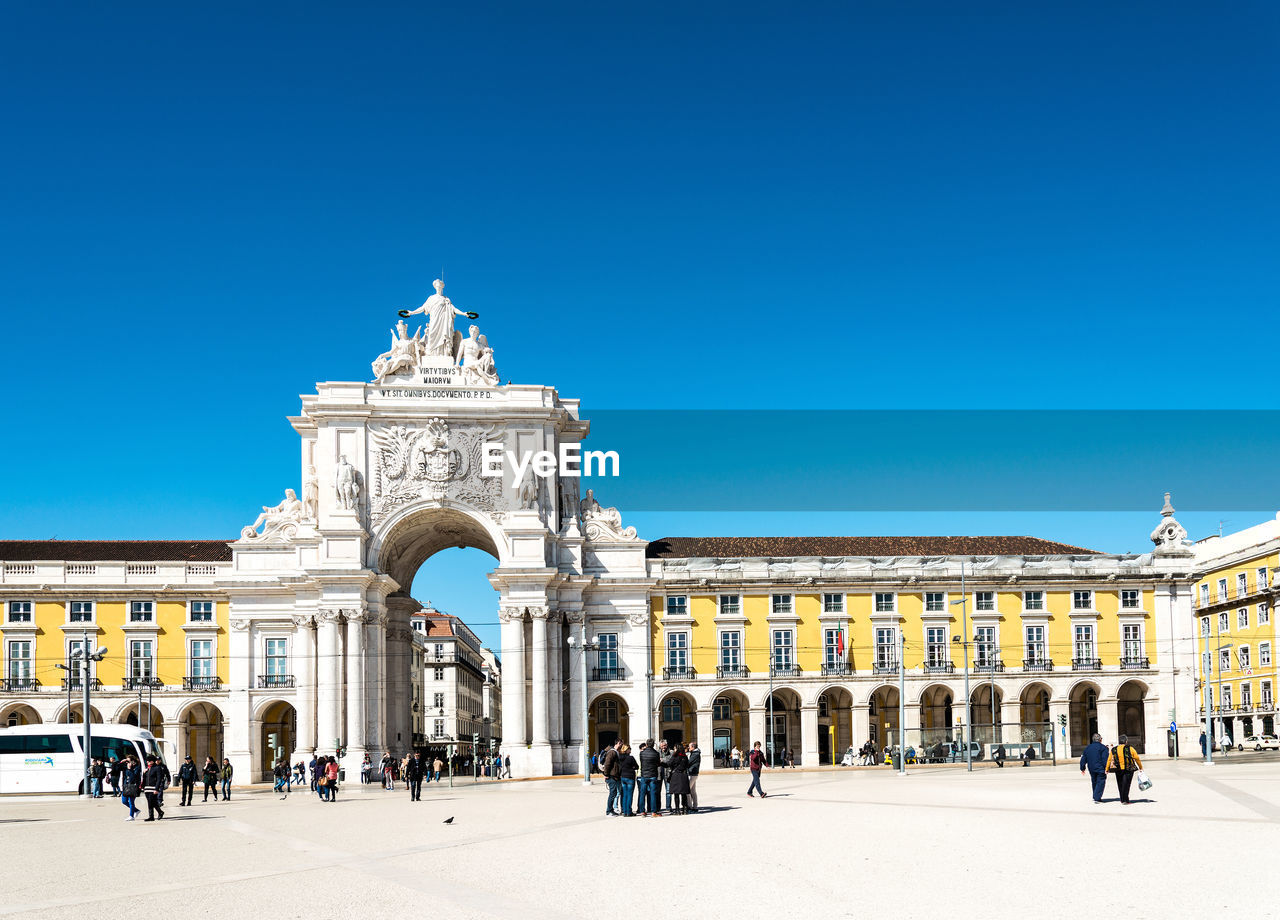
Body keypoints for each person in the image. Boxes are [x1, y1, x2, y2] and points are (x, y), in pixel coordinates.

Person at [1106, 734, 1143, 805]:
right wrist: (1140, 767)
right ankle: (1125, 800)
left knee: (1120, 784)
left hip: (1118, 769)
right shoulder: (1130, 748)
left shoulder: (1114, 749)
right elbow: (1137, 758)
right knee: (1126, 784)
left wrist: (1107, 769)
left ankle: (1122, 799)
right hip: (1128, 769)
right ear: (1126, 741)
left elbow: (1109, 760)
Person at [1079, 732, 1109, 804]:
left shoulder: (1088, 748)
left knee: (1094, 781)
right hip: (1100, 768)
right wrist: (1107, 768)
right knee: (1101, 782)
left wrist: (1082, 768)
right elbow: (1105, 759)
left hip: (1091, 768)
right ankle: (1097, 798)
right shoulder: (1103, 748)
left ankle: (1095, 795)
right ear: (1100, 740)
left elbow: (1083, 758)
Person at [668, 743, 691, 815]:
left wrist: (661, 762)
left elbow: (669, 763)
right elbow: (688, 765)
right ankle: (685, 809)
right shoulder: (685, 756)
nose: (674, 749)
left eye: (675, 748)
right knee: (683, 794)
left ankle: (677, 810)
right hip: (684, 775)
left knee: (676, 794)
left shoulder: (674, 756)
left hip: (676, 775)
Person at [600, 740, 622, 816]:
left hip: (613, 776)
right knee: (612, 794)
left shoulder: (614, 751)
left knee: (614, 793)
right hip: (611, 776)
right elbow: (608, 763)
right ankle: (609, 811)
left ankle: (611, 810)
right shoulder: (612, 752)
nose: (622, 745)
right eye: (621, 743)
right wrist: (606, 774)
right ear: (618, 743)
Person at [616, 743, 638, 816]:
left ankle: (624, 811)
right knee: (629, 795)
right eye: (629, 749)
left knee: (624, 794)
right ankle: (629, 811)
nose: (630, 750)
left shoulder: (619, 758)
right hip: (630, 777)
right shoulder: (630, 758)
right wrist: (632, 767)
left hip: (623, 777)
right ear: (627, 750)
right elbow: (637, 766)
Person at [142, 755, 166, 821]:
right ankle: (158, 813)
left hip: (153, 787)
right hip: (147, 788)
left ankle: (153, 815)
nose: (148, 762)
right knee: (151, 802)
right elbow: (144, 778)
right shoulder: (147, 768)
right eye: (147, 761)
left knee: (151, 801)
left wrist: (157, 789)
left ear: (153, 761)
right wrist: (144, 773)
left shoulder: (157, 768)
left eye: (149, 761)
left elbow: (159, 779)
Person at [120, 754, 141, 821]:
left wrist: (129, 769)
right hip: (126, 786)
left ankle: (131, 816)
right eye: (127, 761)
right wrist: (121, 762)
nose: (127, 763)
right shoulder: (125, 767)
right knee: (124, 801)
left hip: (133, 786)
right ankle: (136, 810)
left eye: (128, 761)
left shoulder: (137, 767)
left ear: (133, 761)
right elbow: (115, 768)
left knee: (131, 802)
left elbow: (133, 777)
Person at [658, 739, 674, 814]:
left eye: (664, 745)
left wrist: (662, 760)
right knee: (658, 791)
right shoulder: (657, 752)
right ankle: (658, 807)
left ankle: (668, 806)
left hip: (668, 773)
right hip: (659, 773)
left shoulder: (671, 752)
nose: (663, 747)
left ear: (667, 745)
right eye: (661, 746)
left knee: (668, 791)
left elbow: (671, 760)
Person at [686, 741, 702, 813]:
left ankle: (690, 806)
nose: (688, 747)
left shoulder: (695, 754)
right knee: (693, 791)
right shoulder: (695, 753)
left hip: (692, 773)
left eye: (689, 746)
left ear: (693, 747)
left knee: (687, 790)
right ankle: (695, 806)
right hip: (694, 773)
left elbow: (689, 763)